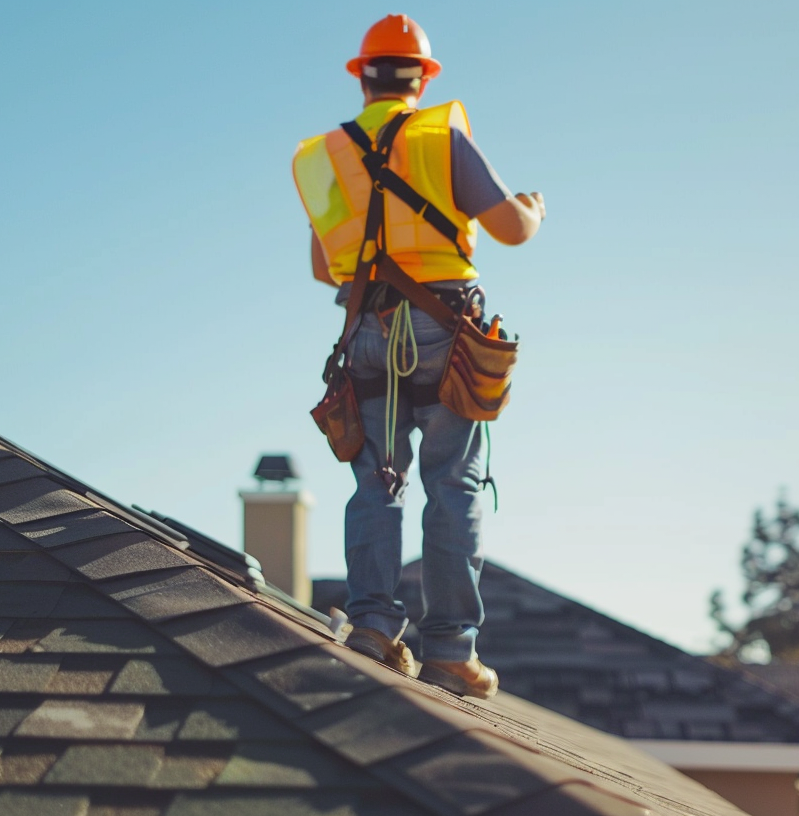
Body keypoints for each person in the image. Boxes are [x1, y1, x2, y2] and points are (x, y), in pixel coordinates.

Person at [292, 14, 544, 699]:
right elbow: (511, 232)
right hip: (444, 326)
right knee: (452, 483)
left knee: (376, 481)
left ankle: (373, 627)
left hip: (367, 329)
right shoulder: (440, 137)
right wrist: (532, 208)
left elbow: (325, 268)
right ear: (424, 77)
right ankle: (450, 653)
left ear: (362, 76)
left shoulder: (323, 157)